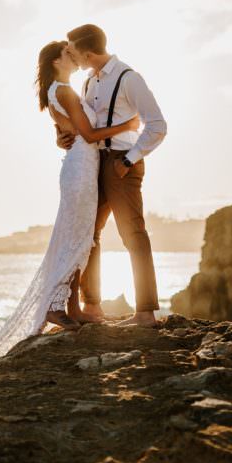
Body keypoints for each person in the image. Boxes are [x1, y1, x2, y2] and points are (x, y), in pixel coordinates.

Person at [0, 40, 139, 369]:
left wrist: (61, 136)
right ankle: (56, 306)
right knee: (79, 236)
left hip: (81, 164)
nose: (75, 56)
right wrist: (128, 125)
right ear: (56, 61)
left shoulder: (60, 90)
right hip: (81, 166)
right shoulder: (63, 91)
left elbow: (69, 130)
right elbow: (91, 135)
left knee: (82, 236)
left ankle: (75, 309)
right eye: (68, 53)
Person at [52, 24, 168, 327]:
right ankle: (92, 307)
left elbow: (157, 125)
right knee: (89, 235)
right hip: (93, 162)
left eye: (73, 51)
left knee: (133, 233)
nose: (71, 56)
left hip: (121, 162)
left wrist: (129, 159)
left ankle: (145, 313)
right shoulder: (89, 82)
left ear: (88, 53)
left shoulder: (129, 78)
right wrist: (61, 137)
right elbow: (81, 126)